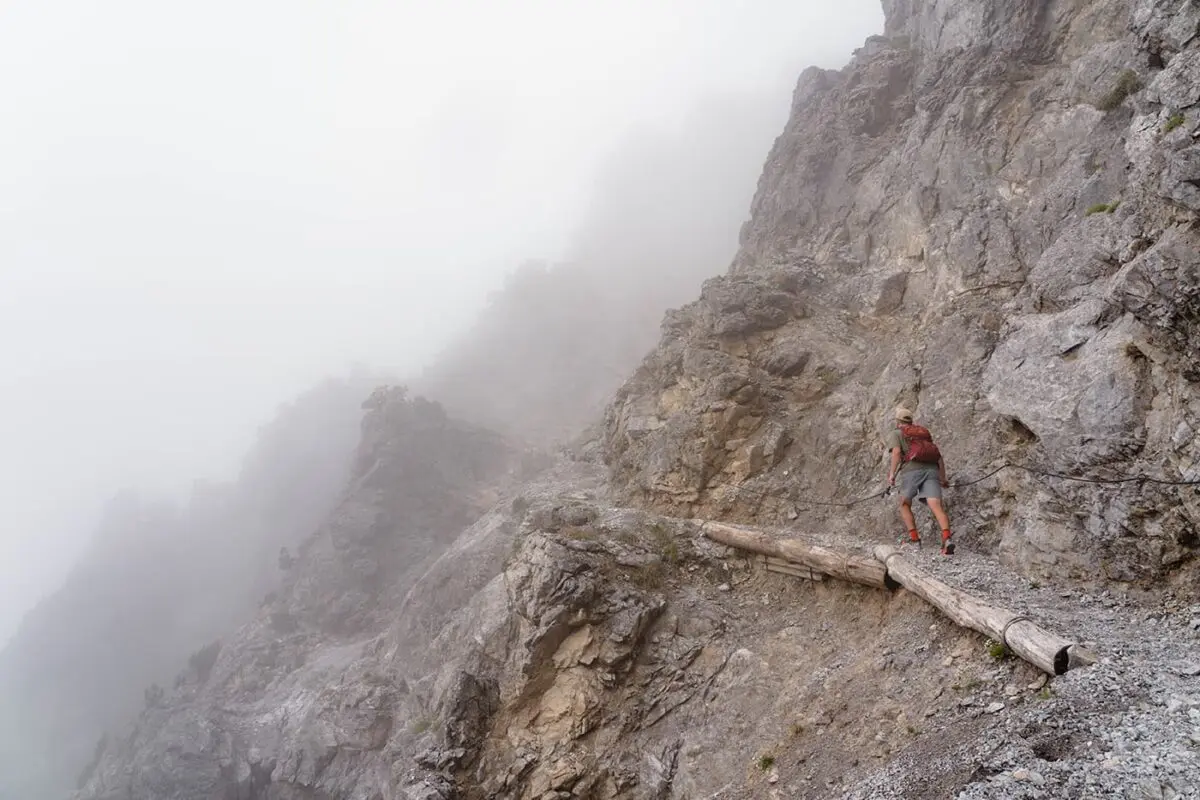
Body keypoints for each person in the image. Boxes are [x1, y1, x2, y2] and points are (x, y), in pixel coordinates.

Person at [885, 407, 954, 555]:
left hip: (912, 471)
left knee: (904, 503)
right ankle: (947, 539)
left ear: (897, 422)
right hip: (932, 470)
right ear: (911, 420)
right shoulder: (923, 434)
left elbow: (896, 453)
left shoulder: (896, 433)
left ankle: (915, 540)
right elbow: (938, 456)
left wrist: (892, 475)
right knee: (936, 505)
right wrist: (942, 478)